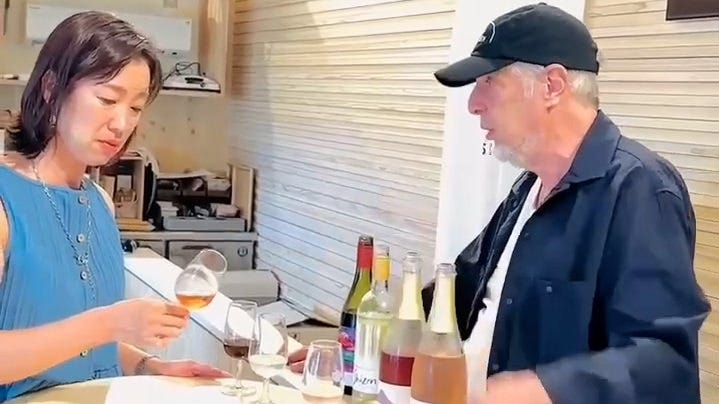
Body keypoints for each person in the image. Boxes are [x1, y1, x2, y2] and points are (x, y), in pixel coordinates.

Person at [420, 3, 711, 404]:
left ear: (552, 85)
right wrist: (384, 325)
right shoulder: (528, 186)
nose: (473, 104)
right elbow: (463, 290)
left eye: (489, 81)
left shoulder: (640, 189)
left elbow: (663, 363)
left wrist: (543, 389)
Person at [0, 11, 227, 402]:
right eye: (107, 99)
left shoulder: (99, 203)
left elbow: (81, 344)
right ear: (52, 89)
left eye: (136, 108)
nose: (122, 124)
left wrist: (149, 366)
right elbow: (94, 328)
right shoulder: (5, 200)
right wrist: (109, 323)